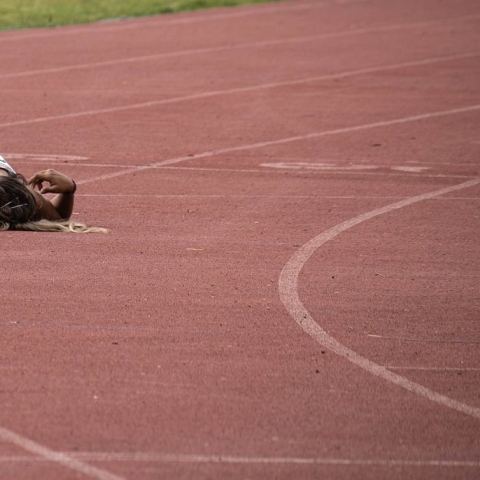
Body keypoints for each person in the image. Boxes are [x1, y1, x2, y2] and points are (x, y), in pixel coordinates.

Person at [0, 155, 106, 233]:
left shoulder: (18, 197)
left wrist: (69, 189)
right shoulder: (22, 197)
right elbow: (58, 216)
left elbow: (58, 217)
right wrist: (69, 188)